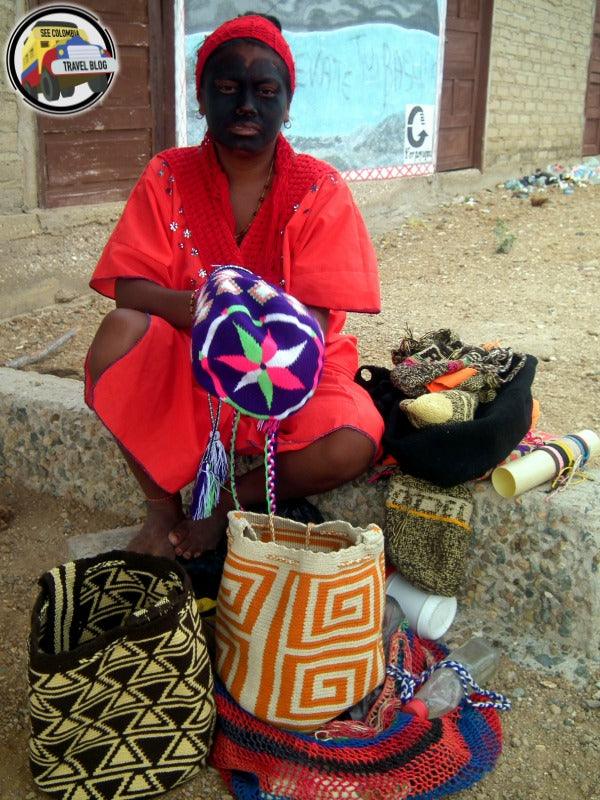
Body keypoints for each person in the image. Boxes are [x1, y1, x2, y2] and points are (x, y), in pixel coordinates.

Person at [85, 13, 384, 560]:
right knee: (117, 336)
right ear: (201, 99)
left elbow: (312, 324)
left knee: (357, 435)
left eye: (265, 90)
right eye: (227, 87)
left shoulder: (320, 187)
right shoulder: (167, 174)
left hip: (293, 372)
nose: (247, 104)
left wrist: (242, 330)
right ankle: (162, 510)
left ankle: (226, 500)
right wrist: (207, 310)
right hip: (191, 365)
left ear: (288, 105)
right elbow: (131, 289)